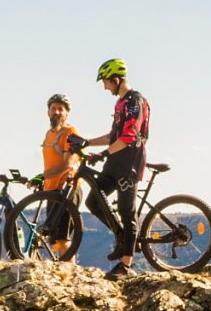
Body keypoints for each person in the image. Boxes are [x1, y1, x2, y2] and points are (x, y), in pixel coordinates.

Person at [83, 57, 150, 276]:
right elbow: (114, 136)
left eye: (105, 82)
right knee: (94, 200)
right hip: (114, 162)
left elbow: (129, 137)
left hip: (129, 162)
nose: (104, 86)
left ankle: (126, 265)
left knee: (126, 211)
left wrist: (102, 153)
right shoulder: (120, 103)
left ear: (116, 79)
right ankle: (121, 237)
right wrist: (87, 142)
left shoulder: (134, 101)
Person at [37, 93, 87, 260]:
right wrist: (44, 181)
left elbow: (67, 164)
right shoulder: (49, 134)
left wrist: (42, 176)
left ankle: (70, 273)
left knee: (62, 237)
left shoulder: (71, 132)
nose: (57, 112)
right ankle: (63, 268)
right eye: (53, 108)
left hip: (67, 189)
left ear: (67, 114)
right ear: (48, 112)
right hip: (52, 190)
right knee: (56, 237)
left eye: (61, 109)